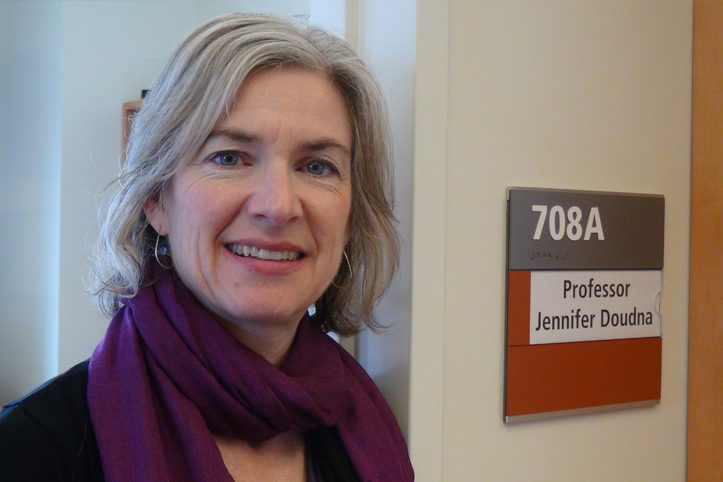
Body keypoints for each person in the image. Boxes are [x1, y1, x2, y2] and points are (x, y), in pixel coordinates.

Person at [0, 13, 413, 482]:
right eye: (229, 157)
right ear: (156, 199)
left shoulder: (365, 422)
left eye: (317, 166)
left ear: (353, 216)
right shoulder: (31, 450)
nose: (277, 206)